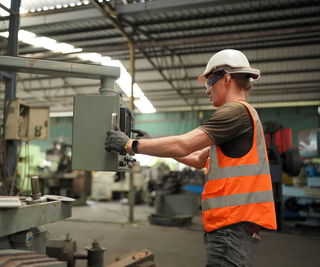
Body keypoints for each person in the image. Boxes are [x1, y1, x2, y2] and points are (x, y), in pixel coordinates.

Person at [105, 49, 277, 267]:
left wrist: (130, 145)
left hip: (231, 226)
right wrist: (153, 142)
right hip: (231, 226)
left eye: (209, 82)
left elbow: (184, 144)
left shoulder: (235, 113)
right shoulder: (244, 116)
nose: (207, 91)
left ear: (226, 78)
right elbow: (196, 158)